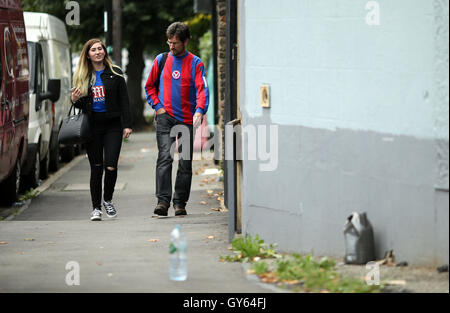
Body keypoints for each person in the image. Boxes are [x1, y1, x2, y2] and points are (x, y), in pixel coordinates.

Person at [145, 22, 209, 216]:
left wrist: (199, 110)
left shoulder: (196, 63)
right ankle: (162, 202)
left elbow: (202, 89)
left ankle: (180, 202)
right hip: (165, 118)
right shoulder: (161, 60)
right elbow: (149, 87)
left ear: (186, 41)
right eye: (169, 42)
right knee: (164, 158)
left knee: (185, 162)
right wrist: (158, 107)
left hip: (187, 120)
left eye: (176, 43)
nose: (171, 46)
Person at [71, 38, 133, 221]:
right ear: (88, 55)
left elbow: (124, 100)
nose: (98, 52)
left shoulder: (115, 73)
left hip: (113, 125)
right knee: (96, 168)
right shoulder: (83, 76)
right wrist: (74, 100)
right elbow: (81, 104)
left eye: (100, 49)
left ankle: (108, 200)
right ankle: (96, 208)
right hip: (93, 126)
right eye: (94, 50)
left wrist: (127, 124)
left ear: (104, 52)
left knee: (111, 165)